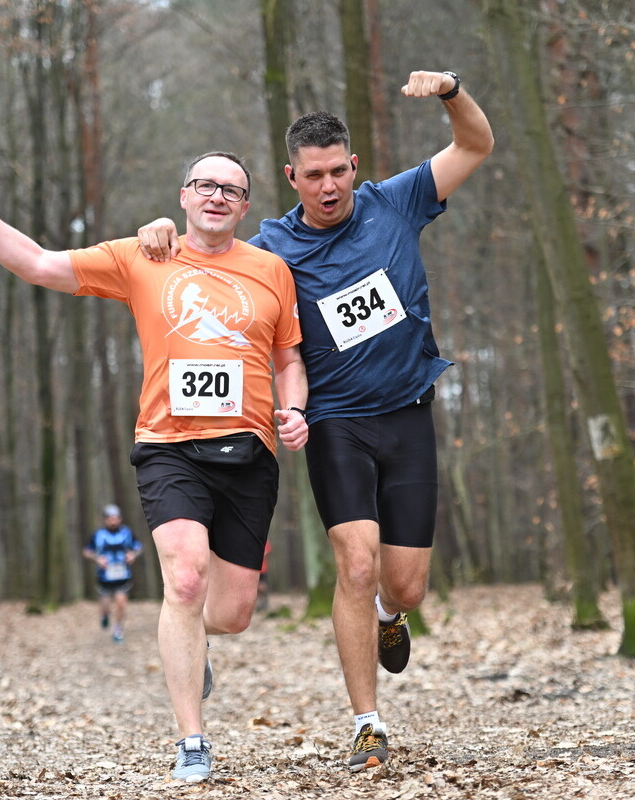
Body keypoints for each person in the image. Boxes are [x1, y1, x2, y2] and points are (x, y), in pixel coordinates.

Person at [138, 70, 493, 772]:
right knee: (356, 565)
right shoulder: (271, 248)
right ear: (291, 178)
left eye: (338, 172)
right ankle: (368, 725)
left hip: (408, 413)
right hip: (334, 422)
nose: (328, 187)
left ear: (353, 166)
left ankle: (391, 616)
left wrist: (452, 92)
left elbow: (476, 145)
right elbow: (207, 256)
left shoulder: (397, 201)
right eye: (313, 176)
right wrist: (161, 233)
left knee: (405, 585)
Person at [0, 150, 309, 784]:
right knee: (184, 581)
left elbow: (289, 360)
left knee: (232, 612)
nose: (217, 196)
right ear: (184, 196)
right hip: (168, 445)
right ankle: (192, 740)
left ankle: (194, 641)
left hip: (249, 452)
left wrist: (295, 410)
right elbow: (39, 263)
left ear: (246, 206)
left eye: (231, 190)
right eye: (205, 185)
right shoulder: (143, 256)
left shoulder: (271, 270)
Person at [82, 504, 143, 641]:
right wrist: (97, 558)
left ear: (120, 518)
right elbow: (86, 551)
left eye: (116, 518)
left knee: (121, 603)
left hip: (123, 575)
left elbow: (138, 547)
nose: (113, 521)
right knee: (105, 606)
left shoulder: (127, 533)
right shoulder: (98, 534)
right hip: (104, 576)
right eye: (110, 518)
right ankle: (105, 615)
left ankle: (118, 629)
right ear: (105, 519)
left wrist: (133, 555)